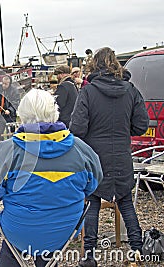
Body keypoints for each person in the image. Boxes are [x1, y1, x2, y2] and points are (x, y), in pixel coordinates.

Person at [0, 89, 103, 267]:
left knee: (12, 252)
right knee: (47, 252)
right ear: (54, 112)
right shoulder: (81, 150)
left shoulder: (8, 150)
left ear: (22, 114)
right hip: (63, 230)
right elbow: (93, 185)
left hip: (19, 230)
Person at [70, 47, 149, 267]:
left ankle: (89, 257)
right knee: (125, 203)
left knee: (92, 203)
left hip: (95, 157)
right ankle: (137, 250)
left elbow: (77, 127)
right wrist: (123, 129)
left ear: (95, 65)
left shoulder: (88, 91)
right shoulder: (131, 90)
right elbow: (141, 126)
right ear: (116, 65)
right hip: (122, 156)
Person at [0, 75, 20, 141]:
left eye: (6, 84)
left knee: (10, 134)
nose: (3, 85)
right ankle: (1, 146)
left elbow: (16, 102)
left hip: (10, 116)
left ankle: (11, 147)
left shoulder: (14, 91)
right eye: (3, 83)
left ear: (9, 84)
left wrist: (10, 110)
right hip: (0, 115)